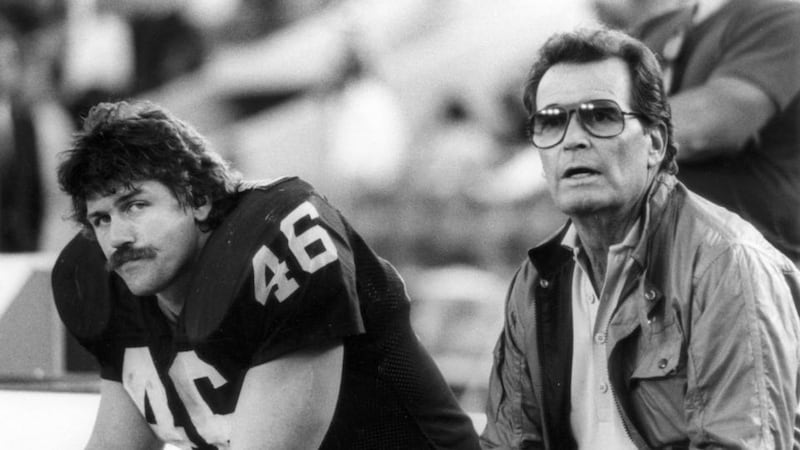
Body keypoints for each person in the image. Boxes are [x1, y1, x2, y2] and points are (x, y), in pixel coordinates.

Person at [51, 100, 481, 449]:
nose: (118, 237)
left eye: (135, 205)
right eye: (101, 219)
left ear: (198, 198)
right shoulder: (120, 287)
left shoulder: (274, 242)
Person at [480, 27, 800, 449]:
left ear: (654, 142)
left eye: (601, 116)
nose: (573, 139)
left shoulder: (725, 266)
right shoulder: (537, 281)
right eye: (551, 121)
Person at [593, 0, 800, 265]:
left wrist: (588, 130)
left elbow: (709, 126)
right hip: (649, 272)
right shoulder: (654, 30)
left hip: (748, 274)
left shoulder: (782, 16)